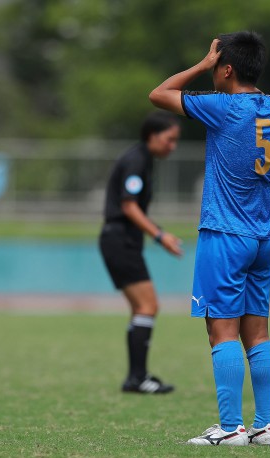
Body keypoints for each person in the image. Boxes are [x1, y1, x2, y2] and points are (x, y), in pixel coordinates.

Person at [150, 31, 270, 446]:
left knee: (221, 333)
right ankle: (264, 426)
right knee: (257, 334)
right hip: (263, 237)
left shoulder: (223, 107)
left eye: (216, 65)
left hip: (226, 235)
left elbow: (159, 94)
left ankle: (230, 429)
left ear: (226, 68)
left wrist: (201, 65)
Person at [99, 111, 183, 394]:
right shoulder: (136, 160)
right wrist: (160, 235)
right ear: (152, 136)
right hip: (119, 239)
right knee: (148, 306)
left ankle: (137, 377)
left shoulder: (143, 159)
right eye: (169, 140)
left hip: (121, 240)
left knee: (141, 309)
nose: (172, 146)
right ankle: (137, 378)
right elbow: (128, 206)